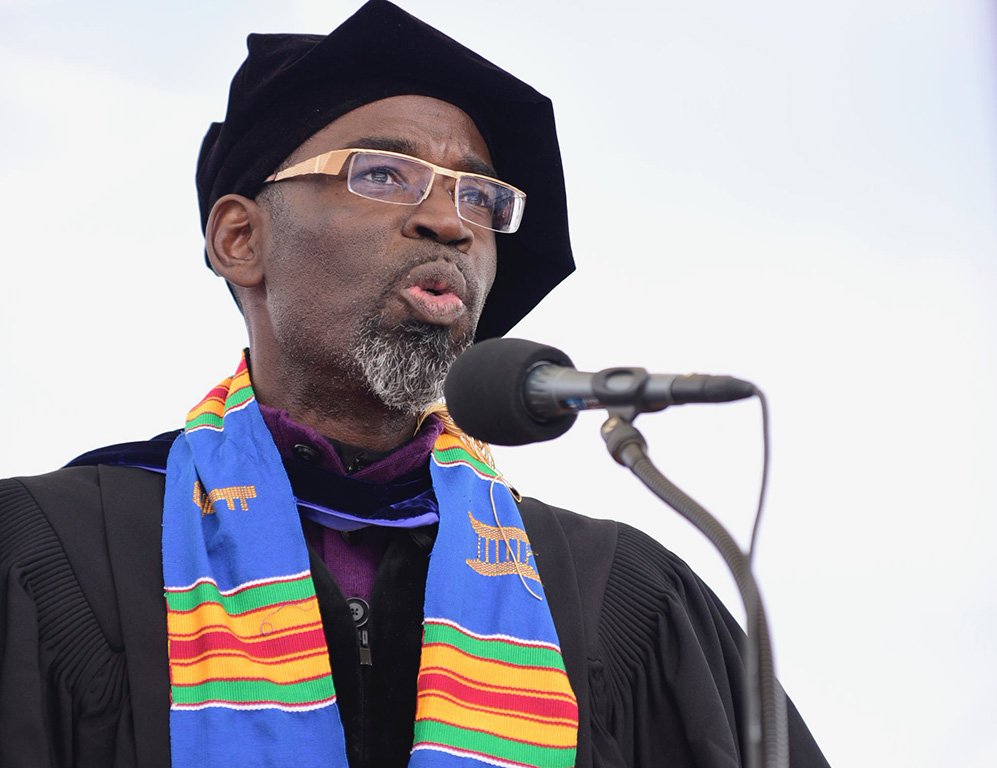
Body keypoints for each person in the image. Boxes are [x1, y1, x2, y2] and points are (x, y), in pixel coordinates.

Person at [0, 2, 830, 767]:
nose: (450, 221)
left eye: (479, 194)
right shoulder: (55, 552)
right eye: (383, 173)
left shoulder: (618, 595)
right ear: (242, 239)